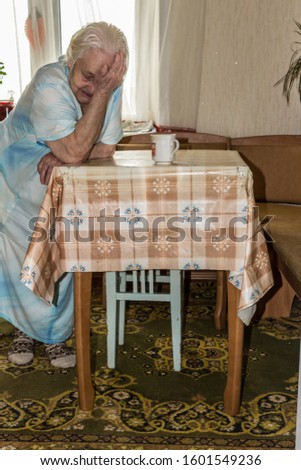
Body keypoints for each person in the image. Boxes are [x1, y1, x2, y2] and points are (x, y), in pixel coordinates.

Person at [0, 22, 128, 368]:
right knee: (20, 255)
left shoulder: (108, 86)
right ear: (70, 60)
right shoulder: (49, 83)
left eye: (104, 80)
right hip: (13, 177)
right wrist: (71, 150)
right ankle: (23, 331)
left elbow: (103, 148)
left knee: (65, 251)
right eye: (88, 76)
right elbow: (78, 150)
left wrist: (67, 152)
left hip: (59, 186)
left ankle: (56, 336)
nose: (94, 86)